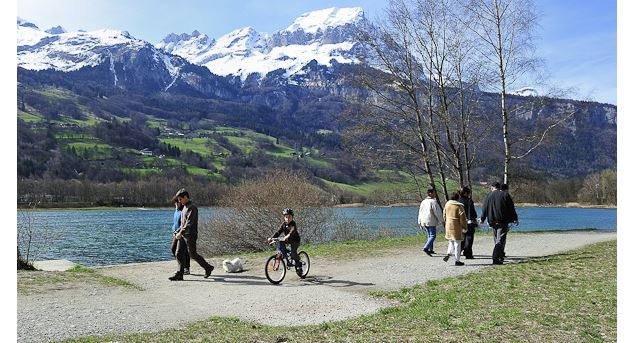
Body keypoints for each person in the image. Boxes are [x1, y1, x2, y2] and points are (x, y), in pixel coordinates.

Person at [169, 188, 214, 281]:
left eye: (180, 199)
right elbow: (182, 223)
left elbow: (189, 223)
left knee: (192, 254)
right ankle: (180, 274)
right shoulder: (184, 207)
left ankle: (208, 267)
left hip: (190, 235)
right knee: (178, 253)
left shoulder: (192, 208)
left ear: (185, 197)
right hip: (183, 234)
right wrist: (178, 231)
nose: (179, 201)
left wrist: (180, 232)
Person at [480, 182, 518, 265]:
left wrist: (482, 218)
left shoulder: (488, 196)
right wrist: (515, 218)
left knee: (496, 239)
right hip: (503, 220)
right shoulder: (505, 195)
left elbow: (484, 208)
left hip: (492, 220)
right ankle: (496, 258)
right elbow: (511, 208)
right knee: (500, 239)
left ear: (493, 187)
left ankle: (500, 256)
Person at [268, 208, 303, 275]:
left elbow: (292, 231)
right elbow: (278, 232)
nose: (287, 218)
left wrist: (287, 236)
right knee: (280, 243)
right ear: (284, 217)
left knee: (293, 253)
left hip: (295, 240)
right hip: (287, 239)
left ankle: (299, 264)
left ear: (292, 217)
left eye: (289, 217)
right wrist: (272, 238)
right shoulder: (283, 224)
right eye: (286, 217)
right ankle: (287, 254)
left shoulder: (293, 224)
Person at [442, 191, 467, 266]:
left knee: (451, 241)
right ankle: (457, 260)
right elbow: (463, 218)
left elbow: (444, 215)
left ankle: (449, 253)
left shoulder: (447, 205)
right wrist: (464, 227)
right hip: (456, 226)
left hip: (448, 225)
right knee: (457, 243)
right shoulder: (459, 206)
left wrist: (446, 222)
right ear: (458, 198)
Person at [418, 188, 444, 256]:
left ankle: (430, 249)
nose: (435, 194)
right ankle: (426, 248)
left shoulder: (423, 202)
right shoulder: (433, 202)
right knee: (433, 236)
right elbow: (437, 212)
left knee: (429, 235)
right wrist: (442, 220)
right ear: (430, 193)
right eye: (434, 193)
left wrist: (419, 221)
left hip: (424, 220)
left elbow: (420, 212)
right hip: (431, 220)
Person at [170, 197, 190, 275]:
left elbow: (183, 224)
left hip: (182, 233)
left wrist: (178, 231)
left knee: (184, 252)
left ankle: (186, 268)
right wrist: (173, 230)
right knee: (173, 249)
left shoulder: (183, 211)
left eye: (177, 202)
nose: (176, 204)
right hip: (175, 233)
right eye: (175, 203)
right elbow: (175, 223)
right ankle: (182, 266)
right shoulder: (176, 211)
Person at [458, 186, 478, 259]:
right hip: (469, 221)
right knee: (469, 238)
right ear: (466, 193)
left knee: (462, 238)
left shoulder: (458, 201)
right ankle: (468, 253)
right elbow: (472, 211)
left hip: (460, 222)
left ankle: (459, 251)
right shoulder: (469, 201)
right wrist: (474, 218)